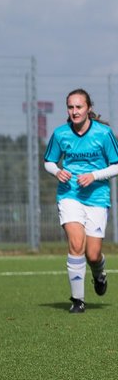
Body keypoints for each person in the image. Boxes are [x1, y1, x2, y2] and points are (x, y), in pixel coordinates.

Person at [42, 88, 118, 314]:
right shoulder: (60, 134)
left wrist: (94, 176)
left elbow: (116, 165)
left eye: (79, 107)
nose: (74, 111)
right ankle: (78, 300)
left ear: (88, 109)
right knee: (76, 244)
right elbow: (49, 162)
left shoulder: (103, 134)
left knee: (92, 254)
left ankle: (99, 272)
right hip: (69, 195)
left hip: (97, 198)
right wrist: (57, 172)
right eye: (71, 107)